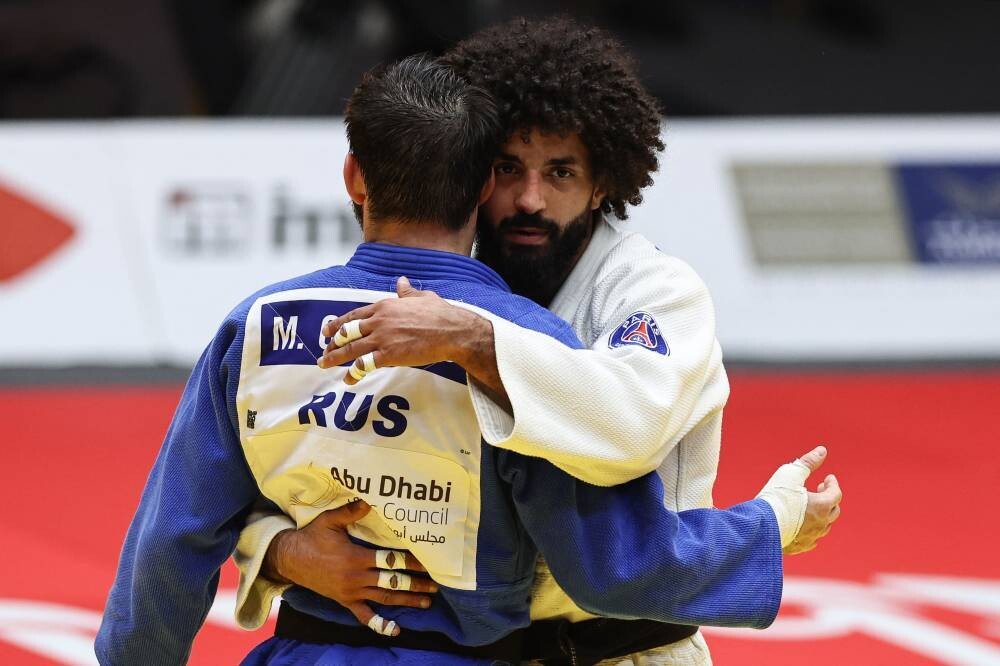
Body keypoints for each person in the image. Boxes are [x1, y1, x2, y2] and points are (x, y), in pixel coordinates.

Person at [95, 54, 820, 666]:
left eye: (560, 173)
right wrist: (282, 549)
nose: (529, 199)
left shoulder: (255, 322)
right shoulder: (528, 332)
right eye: (509, 169)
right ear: (480, 183)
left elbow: (174, 532)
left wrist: (475, 340)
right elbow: (615, 564)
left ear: (354, 177)